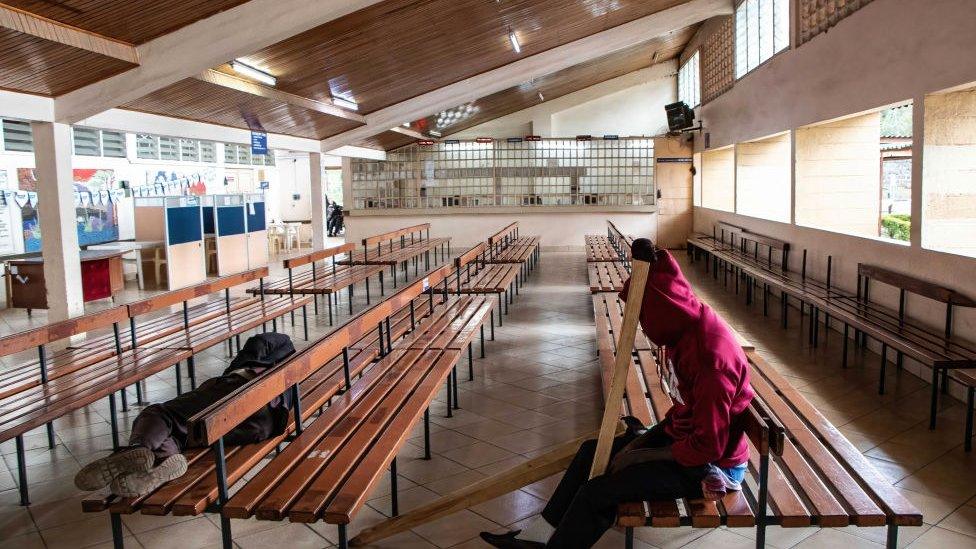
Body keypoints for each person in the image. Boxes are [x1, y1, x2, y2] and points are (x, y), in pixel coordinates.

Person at [480, 249, 754, 549]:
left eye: (645, 317)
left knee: (598, 492)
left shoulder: (708, 360)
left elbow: (707, 446)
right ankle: (540, 535)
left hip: (708, 466)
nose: (644, 327)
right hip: (687, 438)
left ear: (665, 311)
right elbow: (687, 414)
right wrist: (641, 443)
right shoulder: (686, 327)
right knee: (591, 453)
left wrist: (643, 455)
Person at [74, 333, 296, 497]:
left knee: (162, 413)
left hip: (243, 395)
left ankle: (138, 449)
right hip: (264, 425)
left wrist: (241, 363)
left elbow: (262, 340)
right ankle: (163, 463)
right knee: (184, 431)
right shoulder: (290, 372)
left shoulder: (268, 356)